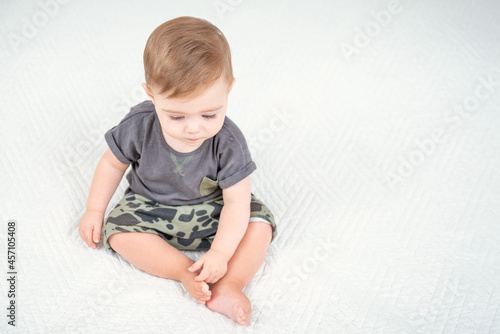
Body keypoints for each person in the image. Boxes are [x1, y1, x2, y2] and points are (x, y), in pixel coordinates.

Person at [78, 16, 276, 326]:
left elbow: (237, 202)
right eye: (177, 116)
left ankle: (228, 285)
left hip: (215, 213)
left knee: (259, 223)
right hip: (149, 208)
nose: (194, 128)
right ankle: (185, 271)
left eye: (210, 114)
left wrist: (222, 253)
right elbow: (110, 164)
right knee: (118, 231)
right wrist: (94, 210)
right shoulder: (138, 126)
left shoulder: (229, 141)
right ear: (151, 94)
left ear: (229, 90)